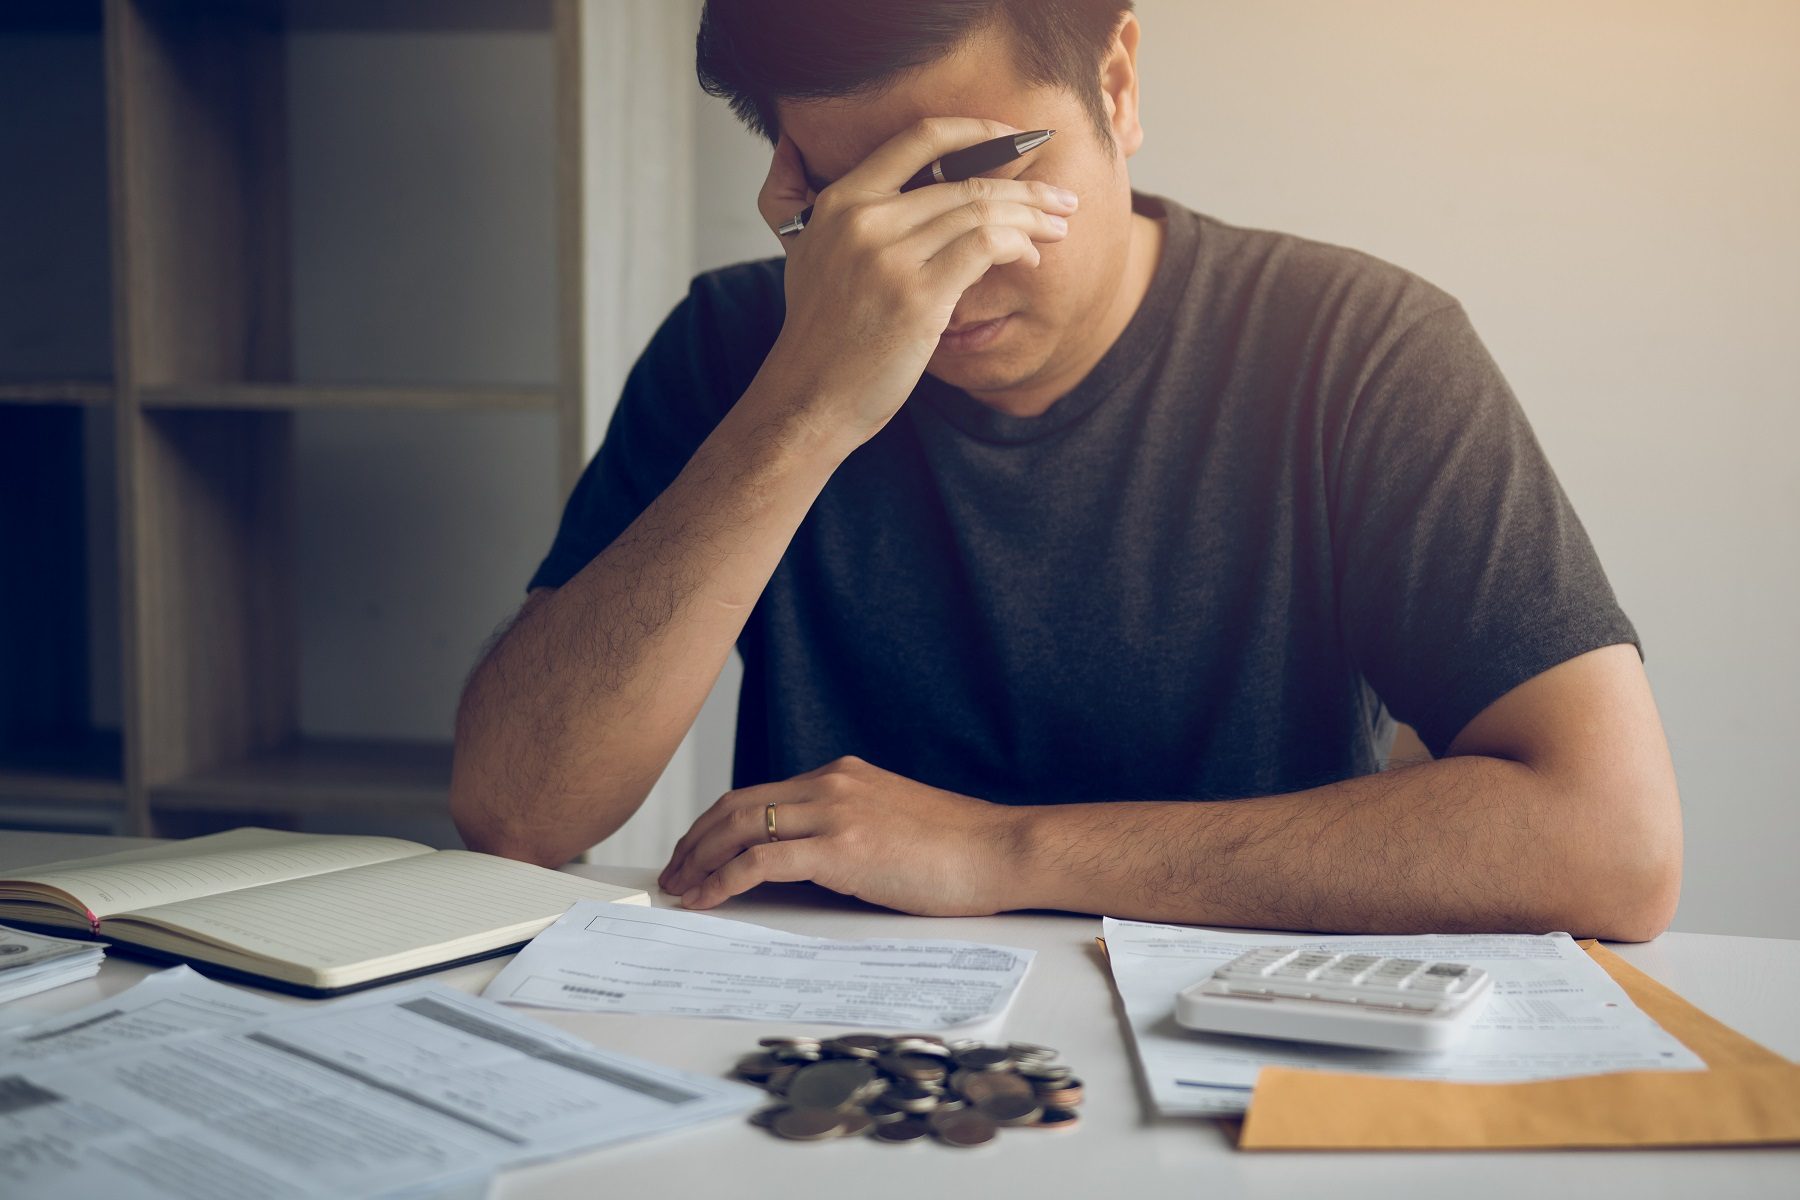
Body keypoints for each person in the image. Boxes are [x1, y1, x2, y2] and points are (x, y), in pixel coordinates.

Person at [450, 0, 1682, 939]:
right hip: (831, 1067)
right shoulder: (739, 350)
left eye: (975, 175)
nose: (940, 272)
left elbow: (1611, 844)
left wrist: (1003, 852)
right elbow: (518, 810)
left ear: (1118, 84)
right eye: (858, 203)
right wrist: (804, 407)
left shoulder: (1360, 350)